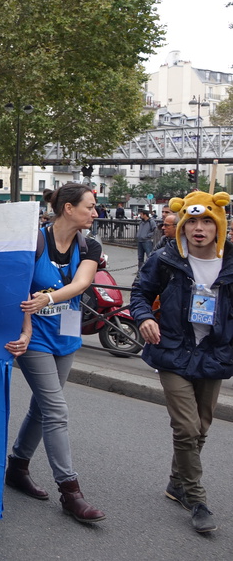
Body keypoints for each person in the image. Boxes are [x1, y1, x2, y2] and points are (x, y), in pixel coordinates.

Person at [131, 190, 233, 534]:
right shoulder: (166, 257)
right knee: (187, 428)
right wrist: (145, 317)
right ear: (183, 225)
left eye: (207, 221)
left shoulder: (230, 261)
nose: (199, 228)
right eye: (192, 222)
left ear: (219, 225)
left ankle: (177, 483)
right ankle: (197, 498)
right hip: (173, 350)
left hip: (214, 353)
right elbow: (140, 292)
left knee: (201, 428)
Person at [4, 183, 105, 523]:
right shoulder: (33, 241)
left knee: (43, 407)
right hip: (35, 339)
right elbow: (16, 289)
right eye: (90, 207)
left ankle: (17, 467)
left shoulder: (89, 245)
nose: (95, 213)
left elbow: (81, 284)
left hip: (67, 336)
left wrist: (47, 298)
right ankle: (70, 491)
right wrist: (25, 330)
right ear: (68, 208)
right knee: (56, 410)